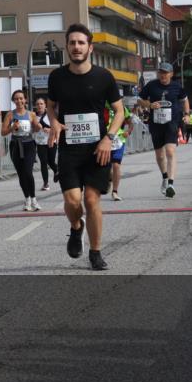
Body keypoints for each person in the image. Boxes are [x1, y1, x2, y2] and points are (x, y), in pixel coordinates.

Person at [46, 23, 124, 271]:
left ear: (90, 47)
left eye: (81, 43)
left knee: (91, 201)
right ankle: (76, 227)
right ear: (67, 47)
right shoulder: (57, 77)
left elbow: (119, 110)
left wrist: (108, 138)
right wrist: (55, 123)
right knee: (72, 200)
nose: (76, 47)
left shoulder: (104, 77)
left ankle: (96, 252)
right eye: (72, 43)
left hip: (97, 148)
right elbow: (50, 106)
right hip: (69, 149)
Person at [137, 62, 190, 198]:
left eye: (165, 73)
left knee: (170, 152)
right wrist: (149, 104)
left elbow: (185, 100)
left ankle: (171, 184)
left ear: (171, 74)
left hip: (172, 123)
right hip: (156, 123)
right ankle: (165, 178)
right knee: (160, 155)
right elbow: (139, 100)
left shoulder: (177, 87)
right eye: (160, 72)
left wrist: (187, 115)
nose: (163, 75)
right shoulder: (151, 85)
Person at [1, 89, 42, 211]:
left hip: (29, 144)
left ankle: (34, 199)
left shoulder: (31, 114)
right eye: (16, 99)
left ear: (25, 100)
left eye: (21, 98)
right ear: (14, 101)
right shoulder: (10, 114)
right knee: (21, 174)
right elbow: (3, 132)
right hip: (15, 145)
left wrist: (38, 127)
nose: (19, 101)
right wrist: (12, 127)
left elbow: (35, 129)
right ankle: (27, 199)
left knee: (28, 172)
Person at [107, 101, 134, 201]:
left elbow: (130, 123)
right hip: (104, 141)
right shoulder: (100, 105)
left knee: (116, 165)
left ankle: (115, 192)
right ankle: (109, 178)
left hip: (119, 140)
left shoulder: (122, 108)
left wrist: (128, 131)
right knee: (107, 168)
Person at [34, 97, 59, 191]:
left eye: (41, 104)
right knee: (43, 162)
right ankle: (46, 183)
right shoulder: (34, 116)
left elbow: (57, 127)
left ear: (45, 105)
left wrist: (50, 129)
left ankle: (57, 171)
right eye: (37, 104)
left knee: (51, 161)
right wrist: (36, 127)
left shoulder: (50, 115)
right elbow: (32, 129)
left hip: (51, 140)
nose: (39, 106)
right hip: (40, 142)